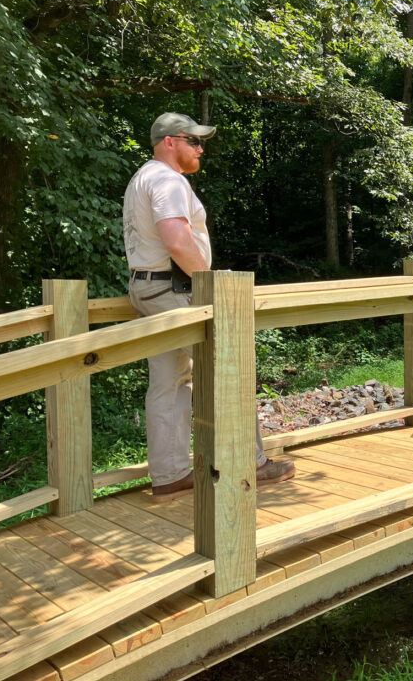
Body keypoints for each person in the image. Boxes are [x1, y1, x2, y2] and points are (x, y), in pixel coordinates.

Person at [123, 112, 295, 498]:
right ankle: (250, 462)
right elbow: (177, 240)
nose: (201, 149)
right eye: (194, 141)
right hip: (175, 289)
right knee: (230, 365)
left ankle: (169, 475)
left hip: (148, 289)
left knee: (168, 381)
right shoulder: (168, 179)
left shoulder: (142, 177)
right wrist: (212, 285)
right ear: (170, 142)